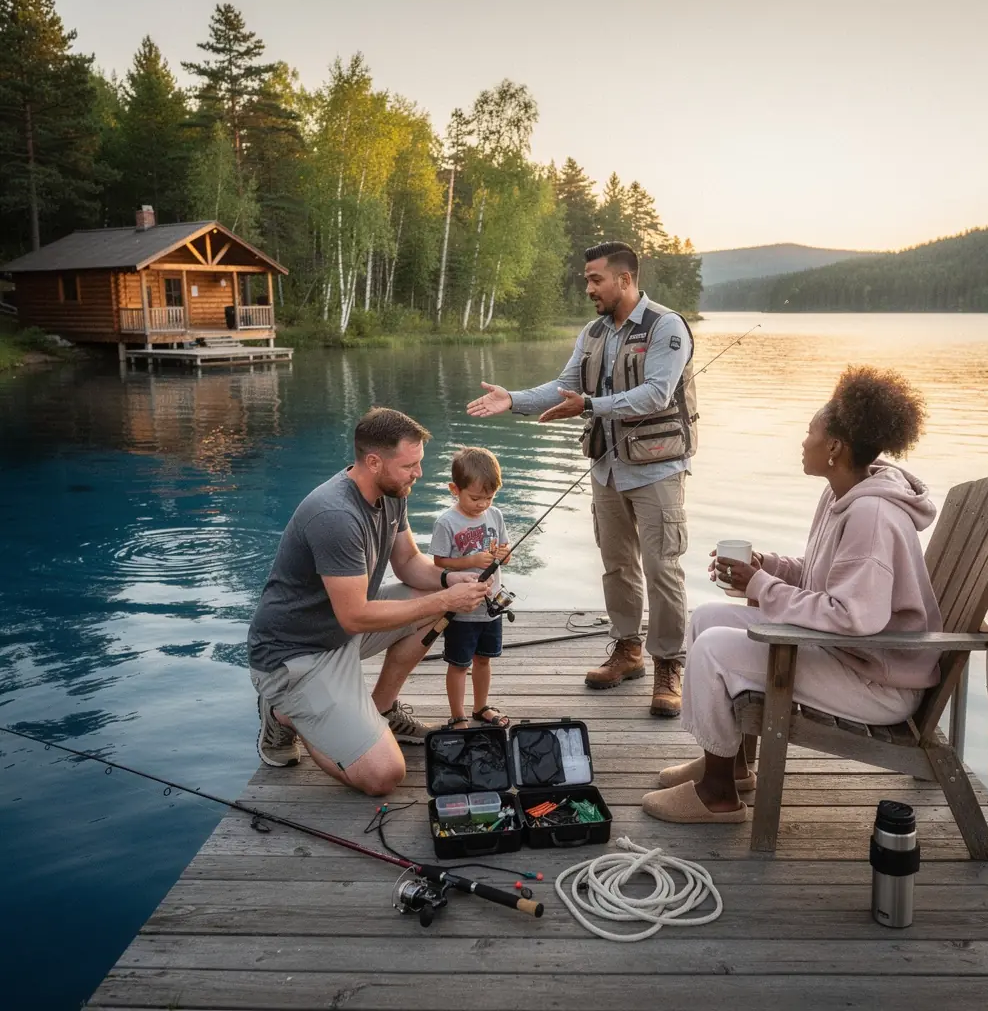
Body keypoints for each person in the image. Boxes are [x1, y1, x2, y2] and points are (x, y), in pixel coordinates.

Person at [643, 366, 941, 824]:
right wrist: (769, 568)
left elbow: (852, 616)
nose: (804, 442)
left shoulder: (872, 516)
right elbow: (824, 578)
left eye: (810, 433)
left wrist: (761, 587)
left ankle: (717, 795)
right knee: (706, 620)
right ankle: (732, 764)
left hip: (878, 681)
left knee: (714, 651)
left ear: (835, 448)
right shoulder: (842, 495)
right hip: (849, 656)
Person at [467, 241, 697, 717]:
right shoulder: (592, 332)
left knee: (662, 568)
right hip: (607, 468)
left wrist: (590, 406)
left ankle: (668, 664)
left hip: (657, 468)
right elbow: (563, 388)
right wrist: (514, 399)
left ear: (625, 280)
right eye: (587, 279)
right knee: (617, 565)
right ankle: (627, 650)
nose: (588, 287)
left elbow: (656, 395)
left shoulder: (666, 327)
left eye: (596, 279)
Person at [247, 407, 491, 796]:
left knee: (437, 600)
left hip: (339, 634)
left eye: (420, 463)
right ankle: (285, 714)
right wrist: (446, 597)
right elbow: (356, 615)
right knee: (383, 776)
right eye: (410, 465)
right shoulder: (335, 515)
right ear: (374, 461)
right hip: (295, 657)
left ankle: (380, 711)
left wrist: (449, 579)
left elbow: (410, 563)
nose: (419, 474)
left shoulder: (393, 492)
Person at [429, 447, 513, 729]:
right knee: (459, 664)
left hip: (490, 607)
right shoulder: (447, 522)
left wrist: (503, 555)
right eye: (475, 498)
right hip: (462, 610)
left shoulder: (495, 515)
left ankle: (480, 707)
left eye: (489, 498)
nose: (482, 504)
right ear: (455, 489)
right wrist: (471, 561)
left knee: (484, 660)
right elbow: (439, 561)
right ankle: (457, 716)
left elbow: (506, 552)